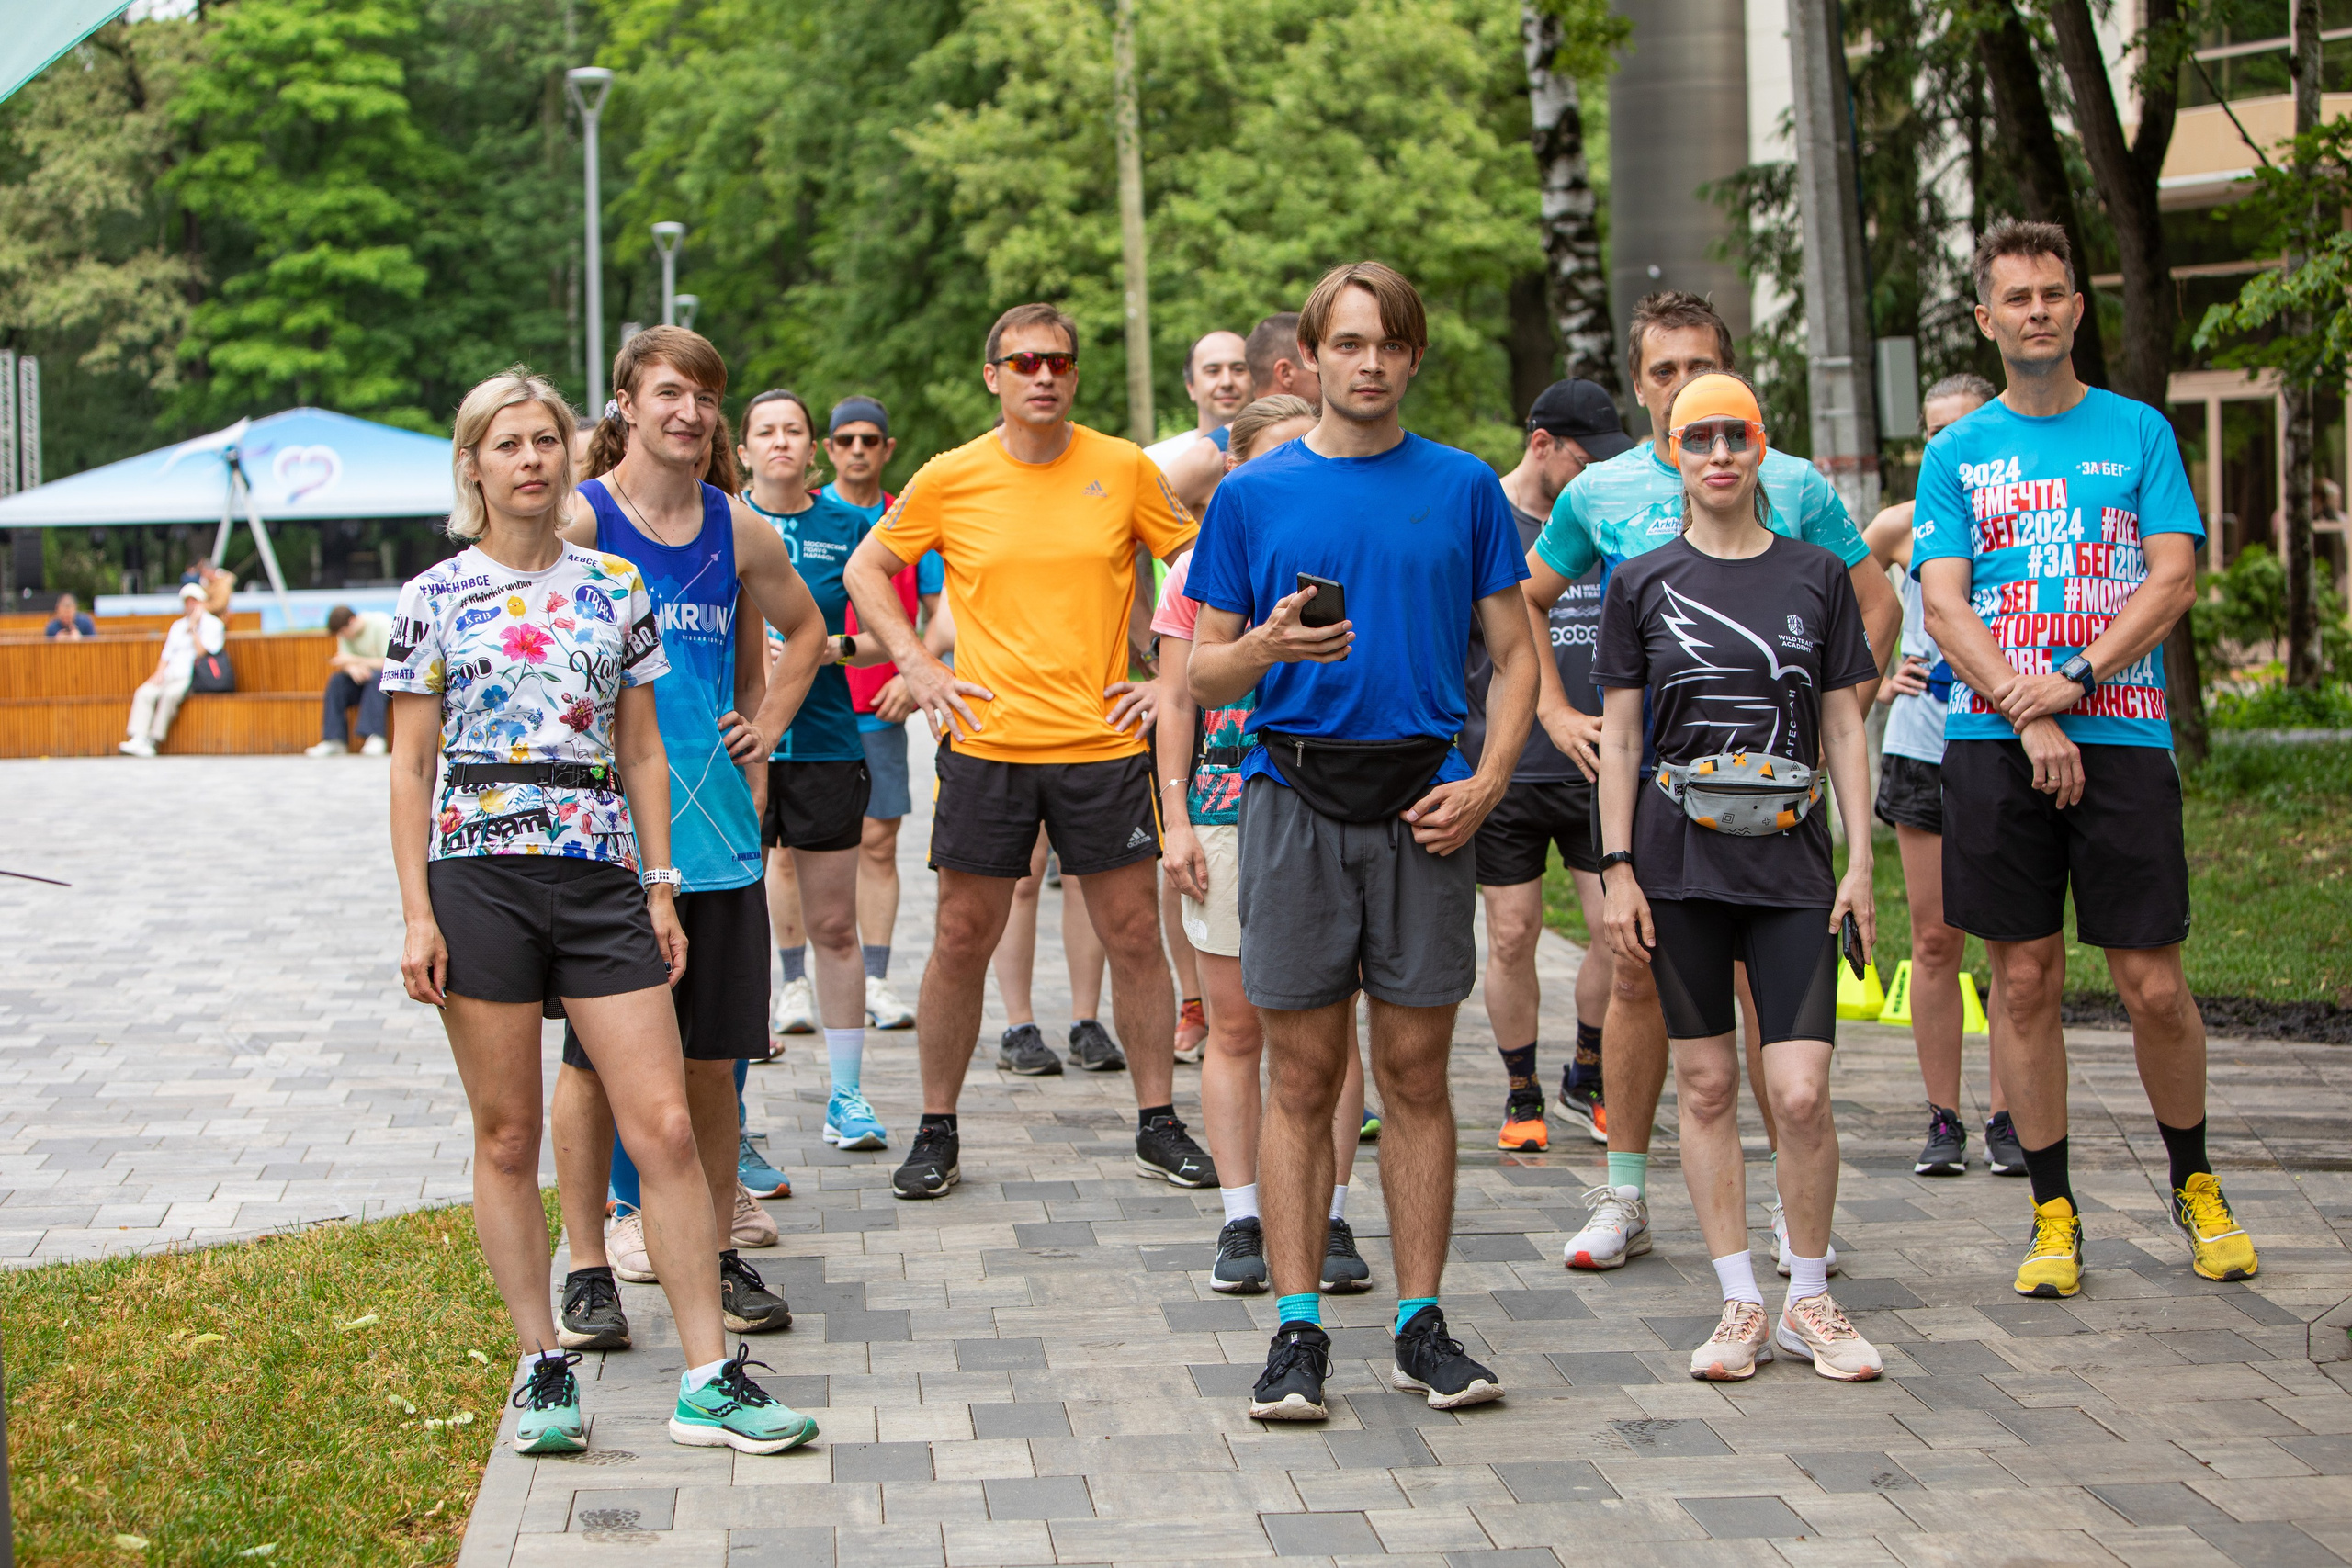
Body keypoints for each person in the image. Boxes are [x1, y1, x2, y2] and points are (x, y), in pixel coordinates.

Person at [384, 366, 816, 1458]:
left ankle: (709, 1378)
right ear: (473, 464)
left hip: (602, 876)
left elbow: (639, 749)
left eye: (543, 441)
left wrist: (662, 887)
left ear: (565, 452)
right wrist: (414, 915)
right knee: (508, 1130)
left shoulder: (611, 586)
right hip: (476, 874)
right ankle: (542, 1370)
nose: (530, 460)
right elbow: (408, 766)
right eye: (506, 445)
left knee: (666, 1125)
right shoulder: (431, 597)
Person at [1189, 262, 1538, 1419]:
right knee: (1300, 1076)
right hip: (1289, 799)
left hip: (1425, 806)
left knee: (1416, 1075)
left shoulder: (1463, 489)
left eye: (1389, 344)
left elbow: (1516, 654)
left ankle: (1418, 1322)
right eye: (1348, 344)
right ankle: (1296, 1334)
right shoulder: (1253, 495)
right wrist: (1268, 652)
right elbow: (1201, 667)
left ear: (1414, 356)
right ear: (1308, 359)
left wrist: (1489, 781)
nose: (1370, 363)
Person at [1523, 290, 1899, 1274]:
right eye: (1664, 372)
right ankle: (1625, 1194)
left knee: (1770, 1002)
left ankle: (1787, 1208)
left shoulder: (1795, 483)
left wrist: (1832, 712)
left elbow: (1868, 597)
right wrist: (1556, 713)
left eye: (1701, 367)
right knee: (1642, 988)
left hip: (1771, 807)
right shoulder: (1598, 492)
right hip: (1655, 806)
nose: (1684, 387)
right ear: (1641, 386)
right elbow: (1522, 598)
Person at [1917, 219, 2260, 1296]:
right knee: (2022, 981)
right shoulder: (1955, 451)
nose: (2036, 312)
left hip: (2120, 734)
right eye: (2015, 298)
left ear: (2076, 308)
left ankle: (2194, 1184)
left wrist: (2071, 681)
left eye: (2053, 294)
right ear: (1986, 317)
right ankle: (2053, 1214)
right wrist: (2026, 714)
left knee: (2152, 985)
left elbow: (2171, 580)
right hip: (1990, 742)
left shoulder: (2139, 432)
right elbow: (1940, 600)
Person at [842, 301, 1212, 1202]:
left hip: (1102, 744)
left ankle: (1157, 1122)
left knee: (1131, 935)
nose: (1043, 375)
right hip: (988, 745)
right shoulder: (950, 476)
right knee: (962, 937)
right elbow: (863, 571)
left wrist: (1171, 678)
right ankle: (937, 1129)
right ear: (993, 376)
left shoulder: (1121, 469)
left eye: (1058, 362)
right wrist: (919, 664)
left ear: (1073, 377)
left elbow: (1202, 559)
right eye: (1024, 362)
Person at [1594, 370, 1884, 1382]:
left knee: (1799, 1092)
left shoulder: (1816, 573)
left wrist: (1861, 860)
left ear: (1762, 448)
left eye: (1736, 435)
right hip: (1677, 865)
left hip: (1795, 862)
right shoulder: (1640, 581)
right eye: (1696, 438)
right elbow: (1621, 735)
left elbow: (1845, 719)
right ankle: (1740, 1303)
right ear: (1671, 453)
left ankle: (1810, 1294)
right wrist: (1616, 866)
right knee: (1709, 1083)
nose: (1717, 454)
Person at [545, 331, 828, 1355]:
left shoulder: (735, 526)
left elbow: (808, 633)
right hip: (604, 839)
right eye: (670, 392)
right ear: (624, 401)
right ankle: (586, 1266)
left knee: (714, 1063)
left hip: (715, 838)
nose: (691, 412)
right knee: (590, 1064)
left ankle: (706, 1247)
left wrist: (771, 721)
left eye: (706, 396)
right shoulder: (581, 520)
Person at [1157, 393, 1373, 1295]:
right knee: (1236, 1025)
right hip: (1221, 804)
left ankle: (1327, 1211)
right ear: (1238, 467)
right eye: (1277, 457)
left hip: (1330, 798)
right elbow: (1176, 698)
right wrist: (1173, 821)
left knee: (1330, 1023)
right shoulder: (1198, 565)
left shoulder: (1354, 550)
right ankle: (1241, 1216)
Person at [1860, 371, 2024, 1179]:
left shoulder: (2023, 509)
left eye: (1962, 426)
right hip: (1924, 746)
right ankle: (1943, 1119)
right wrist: (1876, 675)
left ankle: (2007, 1117)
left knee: (2007, 940)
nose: (1946, 443)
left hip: (2004, 742)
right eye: (1933, 430)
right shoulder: (1900, 523)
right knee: (1934, 939)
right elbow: (1842, 604)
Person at [737, 387, 900, 1153]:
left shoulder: (852, 526)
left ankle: (847, 1095)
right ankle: (728, 1113)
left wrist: (824, 647)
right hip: (731, 748)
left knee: (835, 923)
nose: (779, 442)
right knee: (728, 927)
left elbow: (883, 636)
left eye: (792, 430)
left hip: (829, 745)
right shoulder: (717, 522)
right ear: (742, 450)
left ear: (815, 449)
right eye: (764, 431)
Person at [1470, 378, 1632, 1153]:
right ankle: (1520, 1089)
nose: (1598, 470)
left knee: (1615, 926)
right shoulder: (1484, 513)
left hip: (1599, 759)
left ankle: (1587, 1074)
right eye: (1585, 456)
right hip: (1508, 761)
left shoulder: (1606, 514)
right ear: (1542, 444)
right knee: (1511, 933)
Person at [825, 394, 943, 1032]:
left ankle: (873, 979)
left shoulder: (911, 517)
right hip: (808, 704)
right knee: (787, 852)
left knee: (878, 842)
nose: (860, 450)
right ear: (830, 448)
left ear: (887, 448)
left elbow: (943, 610)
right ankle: (793, 985)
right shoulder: (805, 512)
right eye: (847, 440)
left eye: (871, 439)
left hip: (879, 704)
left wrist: (910, 667)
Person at [1148, 330, 1252, 514]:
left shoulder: (1274, 454)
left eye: (1238, 369)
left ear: (1255, 381)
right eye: (1213, 371)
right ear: (1191, 387)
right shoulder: (1154, 462)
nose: (1227, 382)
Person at [119, 581, 224, 757]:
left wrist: (194, 628)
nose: (190, 605)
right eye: (187, 601)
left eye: (194, 601)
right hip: (169, 674)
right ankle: (138, 737)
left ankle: (152, 741)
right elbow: (166, 655)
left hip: (191, 676)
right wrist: (158, 673)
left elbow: (202, 652)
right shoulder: (177, 626)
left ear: (202, 602)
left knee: (169, 696)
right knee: (144, 692)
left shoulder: (214, 625)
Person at [308, 604, 394, 756]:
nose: (343, 636)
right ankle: (334, 740)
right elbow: (344, 662)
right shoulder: (344, 634)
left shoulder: (381, 625)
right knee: (337, 681)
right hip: (361, 681)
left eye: (343, 632)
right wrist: (351, 668)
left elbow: (389, 662)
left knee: (376, 678)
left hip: (386, 682)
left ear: (352, 621)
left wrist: (354, 661)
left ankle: (375, 737)